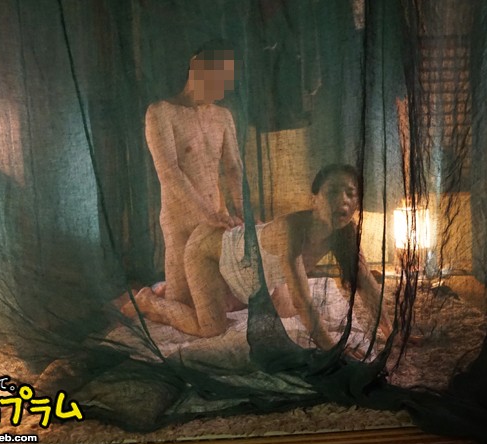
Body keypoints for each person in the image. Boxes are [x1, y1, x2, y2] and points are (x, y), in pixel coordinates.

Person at [131, 164, 392, 351]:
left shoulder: (346, 233)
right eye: (333, 192)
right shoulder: (292, 229)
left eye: (350, 193)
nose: (343, 201)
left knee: (283, 311)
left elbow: (366, 283)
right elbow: (303, 302)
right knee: (212, 328)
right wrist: (333, 350)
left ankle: (173, 290)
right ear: (314, 199)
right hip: (208, 249)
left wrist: (390, 331)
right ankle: (149, 300)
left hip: (252, 270)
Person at [143, 43, 244, 306]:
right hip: (182, 223)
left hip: (217, 220)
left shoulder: (223, 116)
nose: (224, 89)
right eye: (221, 78)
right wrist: (208, 214)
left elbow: (234, 167)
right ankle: (147, 300)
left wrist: (243, 210)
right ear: (197, 65)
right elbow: (169, 172)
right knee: (183, 304)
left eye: (228, 82)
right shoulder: (161, 112)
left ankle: (160, 291)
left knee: (225, 301)